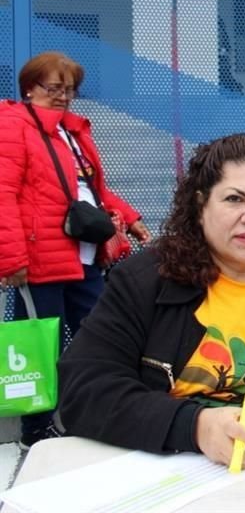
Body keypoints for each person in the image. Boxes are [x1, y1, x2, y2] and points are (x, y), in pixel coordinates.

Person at [58, 134, 245, 467]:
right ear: (200, 207)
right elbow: (83, 390)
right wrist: (194, 425)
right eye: (235, 199)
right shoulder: (144, 282)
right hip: (173, 474)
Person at [0, 51, 151, 448]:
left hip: (83, 257)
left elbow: (91, 192)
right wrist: (12, 259)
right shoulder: (14, 125)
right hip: (39, 261)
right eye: (54, 88)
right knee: (39, 346)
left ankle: (95, 409)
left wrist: (129, 217)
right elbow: (4, 194)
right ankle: (35, 432)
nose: (64, 96)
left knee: (103, 335)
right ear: (30, 88)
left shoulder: (71, 132)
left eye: (70, 89)